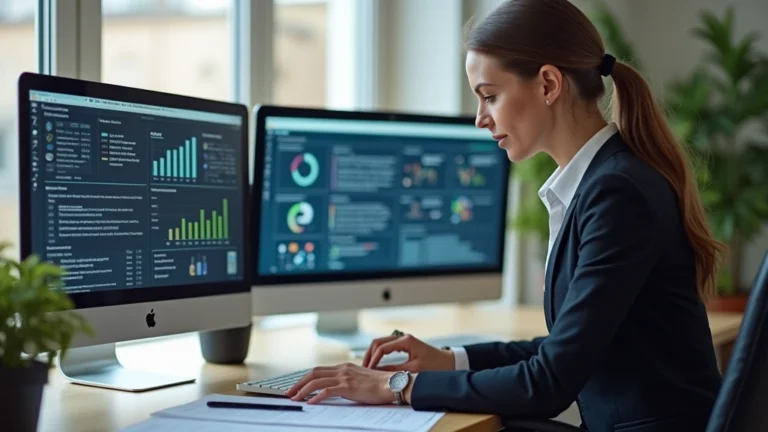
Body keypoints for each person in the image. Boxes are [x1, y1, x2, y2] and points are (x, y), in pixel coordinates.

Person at [286, 0, 727, 430]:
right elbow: (565, 349)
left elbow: (550, 382)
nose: (480, 118)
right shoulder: (602, 182)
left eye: (490, 96)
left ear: (549, 84)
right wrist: (451, 359)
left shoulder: (617, 192)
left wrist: (397, 386)